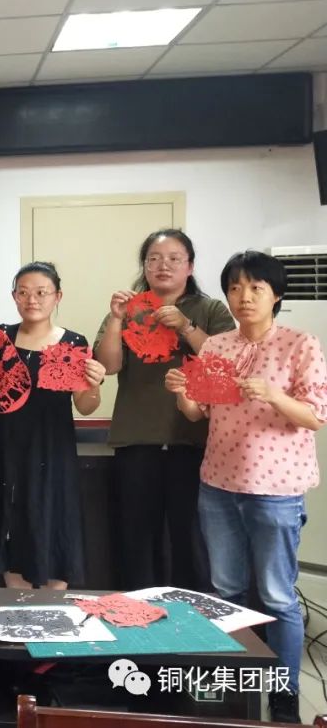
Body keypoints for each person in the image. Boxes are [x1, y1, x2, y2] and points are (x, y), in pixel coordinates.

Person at [165, 251, 325, 723]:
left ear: (276, 295)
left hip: (277, 489)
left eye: (256, 288)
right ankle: (231, 680)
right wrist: (182, 392)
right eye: (235, 288)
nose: (244, 297)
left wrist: (274, 394)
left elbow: (315, 416)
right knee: (224, 589)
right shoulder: (216, 345)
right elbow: (197, 413)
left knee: (277, 596)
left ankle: (285, 691)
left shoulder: (300, 344)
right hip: (218, 483)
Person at [0, 262, 105, 589]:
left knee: (53, 521)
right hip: (6, 448)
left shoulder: (73, 343)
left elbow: (86, 406)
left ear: (57, 296)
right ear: (14, 297)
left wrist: (94, 383)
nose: (32, 299)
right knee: (11, 524)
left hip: (52, 450)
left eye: (41, 292)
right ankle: (17, 604)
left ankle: (54, 605)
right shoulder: (0, 336)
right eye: (23, 292)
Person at [94, 229, 234, 591]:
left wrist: (186, 327)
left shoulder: (210, 310)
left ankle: (192, 615)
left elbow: (228, 362)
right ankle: (137, 613)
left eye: (174, 258)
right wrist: (115, 319)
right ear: (144, 266)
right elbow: (107, 366)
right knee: (136, 540)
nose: (163, 266)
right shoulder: (129, 309)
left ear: (190, 266)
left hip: (194, 442)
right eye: (153, 259)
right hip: (137, 441)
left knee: (191, 540)